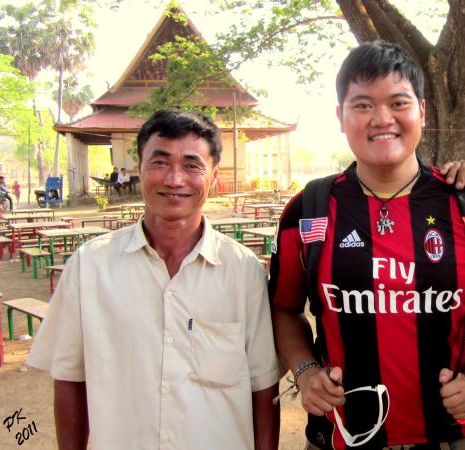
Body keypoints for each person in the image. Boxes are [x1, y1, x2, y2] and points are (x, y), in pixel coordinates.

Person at [269, 41, 465, 449]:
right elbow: (283, 307)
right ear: (340, 116)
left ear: (422, 110)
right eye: (363, 105)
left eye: (398, 103)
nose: (382, 118)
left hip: (449, 438)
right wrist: (306, 370)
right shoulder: (307, 210)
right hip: (339, 438)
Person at [26, 109, 281, 450]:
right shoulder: (90, 267)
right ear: (139, 168)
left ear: (213, 175)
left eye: (192, 165)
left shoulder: (244, 272)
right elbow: (70, 380)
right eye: (160, 162)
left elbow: (263, 387)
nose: (174, 179)